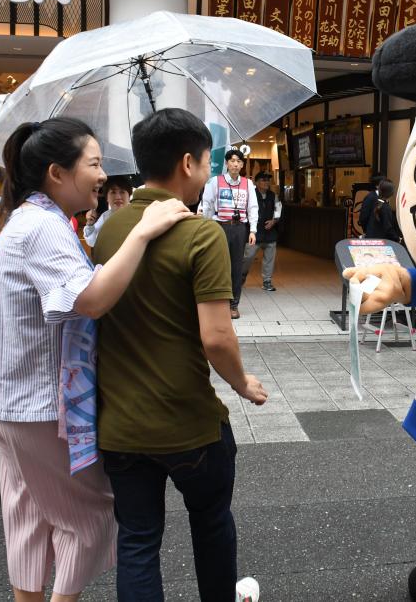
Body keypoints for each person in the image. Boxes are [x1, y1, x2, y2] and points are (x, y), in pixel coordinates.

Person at [0, 117, 193, 602]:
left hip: (8, 403)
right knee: (91, 517)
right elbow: (91, 299)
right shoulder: (42, 228)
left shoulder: (32, 219)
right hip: (35, 407)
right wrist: (142, 233)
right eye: (94, 163)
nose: (103, 175)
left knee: (29, 516)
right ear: (58, 172)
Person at [93, 108, 267, 602]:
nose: (210, 170)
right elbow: (216, 337)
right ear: (188, 163)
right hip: (189, 423)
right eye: (208, 161)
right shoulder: (201, 233)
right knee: (211, 524)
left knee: (139, 540)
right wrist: (242, 383)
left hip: (121, 426)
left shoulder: (108, 229)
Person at [200, 149, 257, 319]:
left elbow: (253, 208)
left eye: (239, 161)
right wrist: (206, 227)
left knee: (236, 267)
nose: (235, 164)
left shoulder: (248, 184)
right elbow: (207, 205)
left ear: (242, 164)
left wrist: (252, 230)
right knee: (218, 266)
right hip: (220, 226)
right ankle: (219, 303)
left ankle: (234, 305)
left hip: (240, 228)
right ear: (226, 163)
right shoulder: (215, 182)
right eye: (232, 161)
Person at [241, 171, 282, 292]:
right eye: (263, 180)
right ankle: (242, 275)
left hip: (270, 233)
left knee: (269, 258)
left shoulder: (273, 195)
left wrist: (274, 221)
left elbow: (278, 209)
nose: (267, 182)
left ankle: (267, 281)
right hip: (254, 232)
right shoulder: (250, 195)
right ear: (257, 182)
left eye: (268, 180)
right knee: (248, 257)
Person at [83, 175, 133, 247]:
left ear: (129, 195)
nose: (118, 197)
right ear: (107, 198)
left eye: (122, 192)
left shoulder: (137, 214)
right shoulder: (105, 217)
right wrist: (90, 224)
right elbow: (92, 242)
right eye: (113, 192)